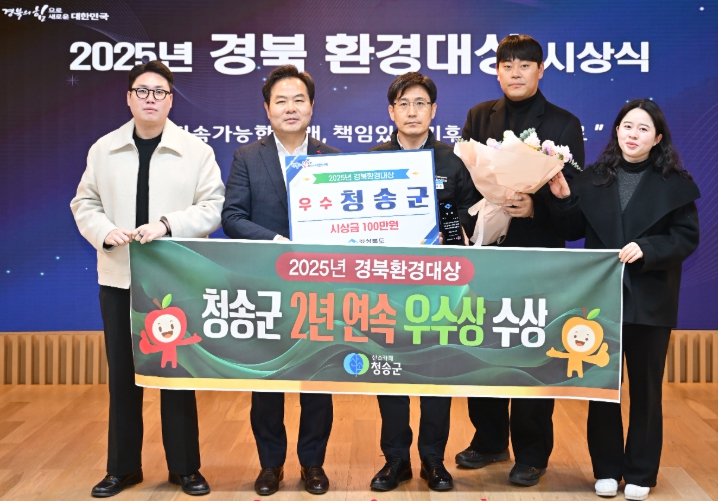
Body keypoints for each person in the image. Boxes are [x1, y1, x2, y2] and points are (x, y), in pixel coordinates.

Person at [70, 61, 225, 497]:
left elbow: (212, 206)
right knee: (123, 377)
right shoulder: (104, 149)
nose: (150, 98)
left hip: (175, 280)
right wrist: (105, 231)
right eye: (142, 91)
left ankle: (185, 468)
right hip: (119, 278)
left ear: (171, 100)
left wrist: (167, 224)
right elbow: (84, 203)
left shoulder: (196, 151)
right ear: (128, 98)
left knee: (177, 376)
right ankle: (123, 468)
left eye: (160, 91)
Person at [547, 99, 700, 500]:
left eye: (643, 129)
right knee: (603, 389)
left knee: (647, 390)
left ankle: (641, 473)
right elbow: (572, 228)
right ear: (616, 131)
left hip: (651, 299)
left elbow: (685, 237)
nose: (633, 134)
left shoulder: (675, 183)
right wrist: (563, 197)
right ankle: (607, 470)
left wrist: (648, 248)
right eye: (627, 126)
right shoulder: (593, 178)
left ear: (658, 138)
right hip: (602, 299)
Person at [455, 34, 585, 486]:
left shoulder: (564, 125)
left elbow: (573, 203)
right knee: (482, 347)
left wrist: (534, 208)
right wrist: (479, 215)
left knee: (532, 352)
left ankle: (532, 452)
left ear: (540, 70)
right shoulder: (479, 116)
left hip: (537, 260)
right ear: (497, 71)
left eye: (524, 65)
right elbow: (466, 181)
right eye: (507, 65)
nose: (515, 72)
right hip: (487, 257)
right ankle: (489, 439)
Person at [221, 65, 340, 496]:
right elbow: (232, 217)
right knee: (267, 381)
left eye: (299, 100)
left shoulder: (332, 159)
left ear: (312, 106)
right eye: (281, 101)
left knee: (317, 380)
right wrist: (277, 242)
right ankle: (270, 465)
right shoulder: (247, 157)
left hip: (318, 287)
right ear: (267, 108)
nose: (291, 108)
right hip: (266, 285)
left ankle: (313, 464)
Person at [366, 72, 479, 492]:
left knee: (436, 370)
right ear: (391, 111)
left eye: (420, 103)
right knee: (390, 370)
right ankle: (395, 459)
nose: (412, 112)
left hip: (438, 287)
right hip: (387, 288)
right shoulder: (373, 161)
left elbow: (468, 211)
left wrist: (447, 228)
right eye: (403, 104)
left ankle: (433, 458)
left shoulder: (451, 161)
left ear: (433, 111)